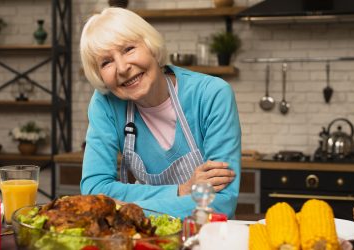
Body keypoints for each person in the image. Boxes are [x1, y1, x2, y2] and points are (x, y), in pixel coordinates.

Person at [79, 7, 241, 219]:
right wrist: (180, 191)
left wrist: (124, 210)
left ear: (151, 47)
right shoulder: (106, 103)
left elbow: (220, 203)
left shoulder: (212, 95)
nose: (122, 67)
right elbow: (94, 190)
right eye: (106, 62)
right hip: (141, 237)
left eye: (128, 49)